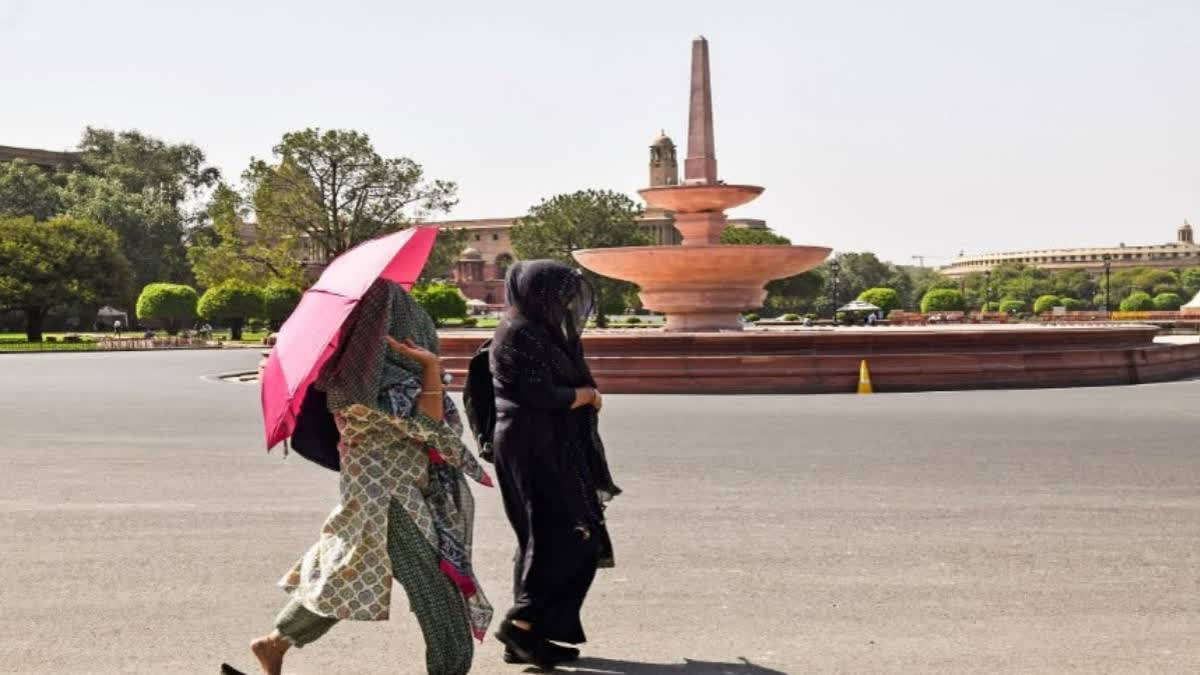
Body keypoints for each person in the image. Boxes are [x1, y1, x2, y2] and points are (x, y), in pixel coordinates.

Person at [240, 280, 493, 675]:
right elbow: (432, 427)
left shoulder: (348, 374)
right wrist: (430, 366)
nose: (419, 331)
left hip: (373, 493)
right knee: (439, 591)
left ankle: (275, 643)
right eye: (407, 320)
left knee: (347, 572)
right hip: (393, 500)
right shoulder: (381, 384)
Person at [488, 260, 621, 669]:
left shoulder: (542, 331)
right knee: (562, 533)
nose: (565, 302)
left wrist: (582, 395)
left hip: (547, 441)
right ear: (537, 292)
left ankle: (530, 635)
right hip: (533, 442)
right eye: (558, 293)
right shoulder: (519, 333)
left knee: (545, 535)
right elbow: (538, 394)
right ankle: (522, 622)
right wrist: (584, 396)